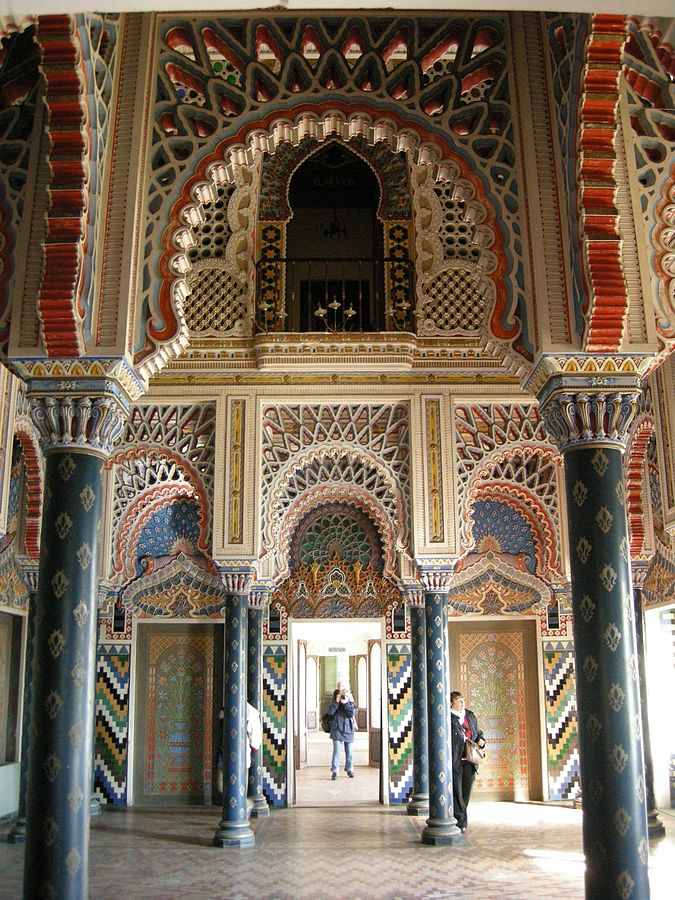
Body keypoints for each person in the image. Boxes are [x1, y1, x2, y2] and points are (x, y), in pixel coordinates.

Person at [450, 690, 486, 832]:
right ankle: (461, 821)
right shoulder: (448, 718)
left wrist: (481, 740)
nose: (462, 702)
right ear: (452, 703)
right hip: (456, 759)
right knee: (456, 790)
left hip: (470, 759)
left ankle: (460, 815)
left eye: (463, 699)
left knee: (466, 789)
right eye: (458, 700)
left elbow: (478, 732)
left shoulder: (469, 716)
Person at [215, 702, 263, 799]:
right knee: (233, 788)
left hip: (232, 755)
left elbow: (255, 742)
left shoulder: (250, 712)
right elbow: (255, 743)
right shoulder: (251, 712)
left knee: (228, 788)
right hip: (230, 755)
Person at [326, 687, 356, 779]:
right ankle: (335, 771)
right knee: (336, 751)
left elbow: (351, 713)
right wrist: (336, 702)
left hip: (348, 730)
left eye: (344, 695)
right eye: (340, 695)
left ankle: (349, 769)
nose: (342, 696)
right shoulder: (334, 703)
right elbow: (330, 714)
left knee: (349, 751)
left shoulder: (350, 703)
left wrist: (346, 703)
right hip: (336, 730)